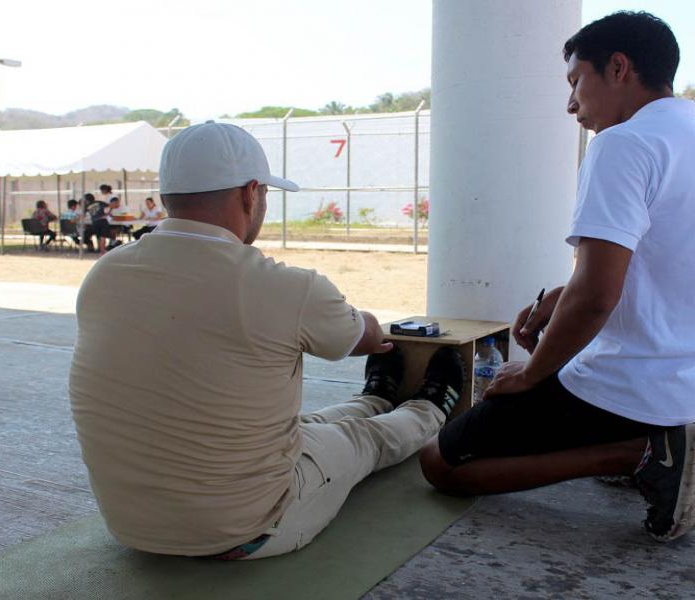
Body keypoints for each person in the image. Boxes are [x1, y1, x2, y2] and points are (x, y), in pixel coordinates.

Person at [419, 11, 695, 543]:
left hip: (641, 385)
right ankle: (656, 440)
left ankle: (639, 455)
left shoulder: (623, 144)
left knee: (442, 462)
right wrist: (560, 298)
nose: (571, 103)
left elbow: (597, 296)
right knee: (549, 374)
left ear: (618, 68)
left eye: (576, 81)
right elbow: (665, 265)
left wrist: (530, 374)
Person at [69, 121, 464, 560]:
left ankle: (377, 397)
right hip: (248, 527)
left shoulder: (103, 274)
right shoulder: (282, 286)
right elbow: (364, 337)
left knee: (303, 427)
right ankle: (431, 407)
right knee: (361, 439)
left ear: (166, 198)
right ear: (249, 193)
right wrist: (363, 325)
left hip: (132, 524)